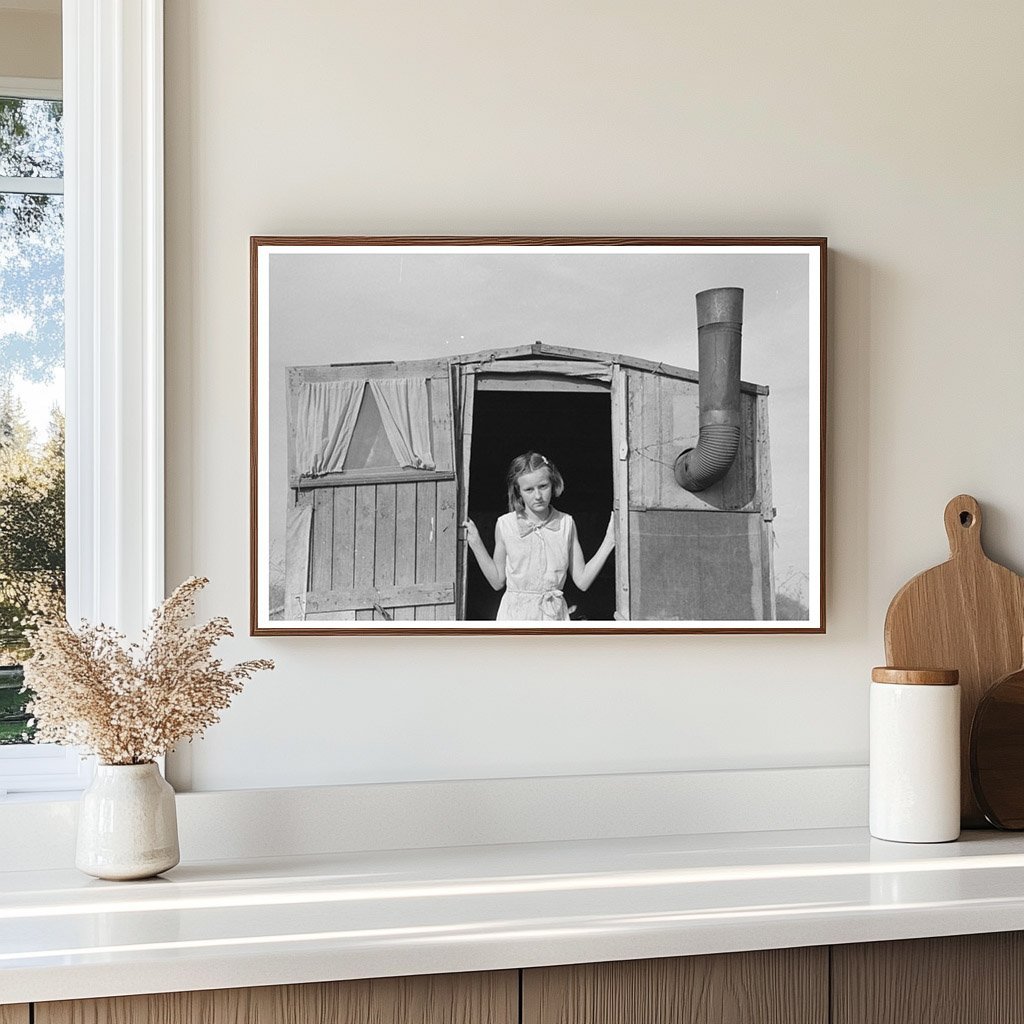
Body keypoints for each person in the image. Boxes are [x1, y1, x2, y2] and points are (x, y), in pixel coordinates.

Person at [464, 452, 615, 621]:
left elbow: (583, 581)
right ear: (518, 492)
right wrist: (476, 542)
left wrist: (609, 541)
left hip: (554, 616)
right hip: (515, 616)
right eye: (529, 489)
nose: (537, 496)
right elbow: (497, 581)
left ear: (553, 483)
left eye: (543, 486)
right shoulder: (505, 524)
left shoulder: (566, 523)